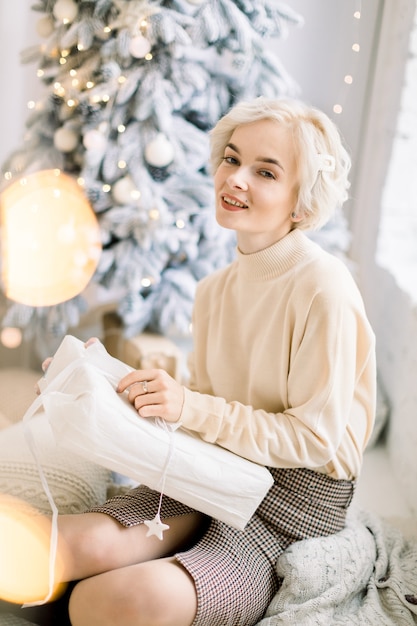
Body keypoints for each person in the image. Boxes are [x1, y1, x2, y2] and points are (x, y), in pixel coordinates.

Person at [6, 96, 377, 626]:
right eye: (232, 159)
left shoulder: (325, 287)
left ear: (301, 201)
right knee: (44, 550)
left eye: (265, 171)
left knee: (106, 603)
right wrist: (106, 381)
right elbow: (204, 412)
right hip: (212, 471)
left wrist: (189, 409)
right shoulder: (213, 291)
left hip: (291, 506)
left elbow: (313, 441)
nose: (236, 179)